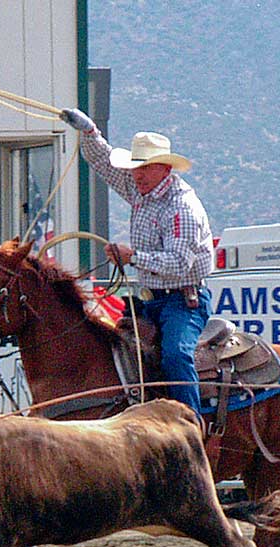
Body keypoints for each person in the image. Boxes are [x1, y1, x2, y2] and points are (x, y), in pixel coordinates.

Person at [59, 108, 214, 411]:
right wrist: (88, 131)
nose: (137, 174)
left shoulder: (182, 207)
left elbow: (181, 262)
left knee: (176, 355)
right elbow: (103, 161)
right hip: (151, 300)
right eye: (135, 167)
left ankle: (190, 425)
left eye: (145, 168)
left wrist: (133, 257)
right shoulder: (140, 188)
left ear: (165, 169)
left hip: (183, 302)